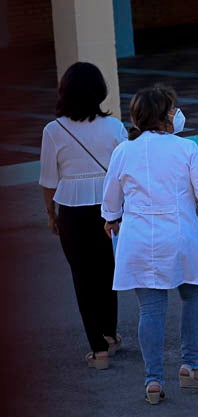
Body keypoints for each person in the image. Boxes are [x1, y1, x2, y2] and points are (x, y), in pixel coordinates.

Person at [101, 85, 198, 404]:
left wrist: (111, 219)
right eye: (172, 108)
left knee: (150, 309)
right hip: (181, 236)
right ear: (166, 116)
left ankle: (153, 380)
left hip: (138, 238)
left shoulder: (123, 151)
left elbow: (111, 200)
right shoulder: (187, 149)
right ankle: (190, 367)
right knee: (193, 297)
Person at [39, 62, 128, 370]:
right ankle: (111, 334)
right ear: (99, 91)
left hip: (71, 212)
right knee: (109, 271)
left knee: (83, 277)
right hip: (110, 208)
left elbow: (48, 181)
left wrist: (51, 214)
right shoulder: (115, 127)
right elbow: (125, 173)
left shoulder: (53, 130)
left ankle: (98, 350)